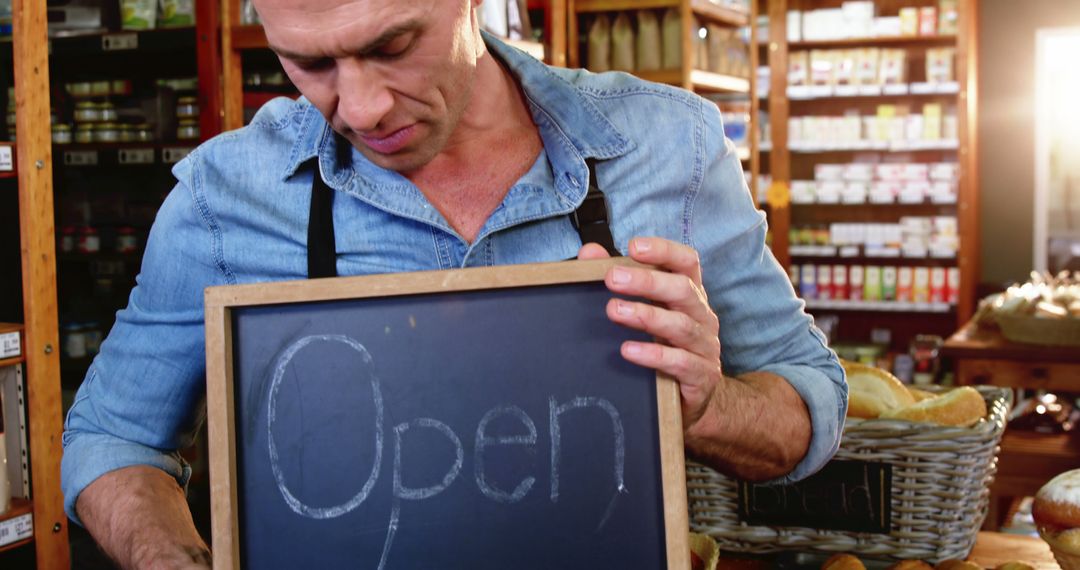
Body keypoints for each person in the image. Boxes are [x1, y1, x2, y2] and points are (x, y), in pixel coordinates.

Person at [61, 0, 847, 567]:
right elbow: (110, 438)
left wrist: (709, 405)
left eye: (394, 43)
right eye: (311, 64)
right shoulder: (222, 197)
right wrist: (171, 559)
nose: (362, 108)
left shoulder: (668, 147)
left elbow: (809, 408)